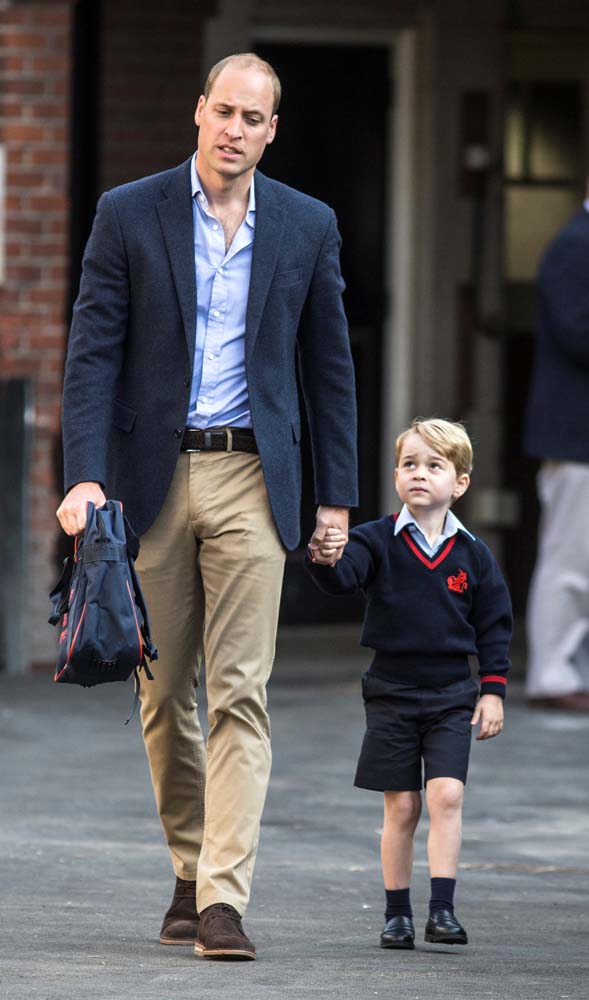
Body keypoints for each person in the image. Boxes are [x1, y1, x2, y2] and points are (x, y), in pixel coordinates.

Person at [56, 52, 357, 960]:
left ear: (274, 130)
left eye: (252, 119)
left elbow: (329, 371)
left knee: (240, 693)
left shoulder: (307, 225)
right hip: (151, 481)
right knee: (161, 694)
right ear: (197, 113)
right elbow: (91, 354)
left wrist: (335, 498)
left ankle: (222, 897)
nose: (234, 131)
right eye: (222, 112)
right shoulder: (128, 212)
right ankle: (188, 865)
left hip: (254, 478)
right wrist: (81, 474)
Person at [306, 418, 511, 950]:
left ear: (459, 483)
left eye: (434, 466)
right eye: (409, 464)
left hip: (451, 695)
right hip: (391, 693)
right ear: (396, 475)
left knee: (446, 795)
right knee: (401, 806)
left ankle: (442, 910)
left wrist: (492, 690)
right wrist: (327, 557)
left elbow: (494, 624)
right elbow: (344, 574)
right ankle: (397, 913)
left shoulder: (473, 554)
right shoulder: (375, 539)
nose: (419, 474)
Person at [523, 193, 589, 712]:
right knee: (569, 560)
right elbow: (577, 333)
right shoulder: (573, 246)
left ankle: (572, 669)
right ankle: (551, 674)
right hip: (574, 435)